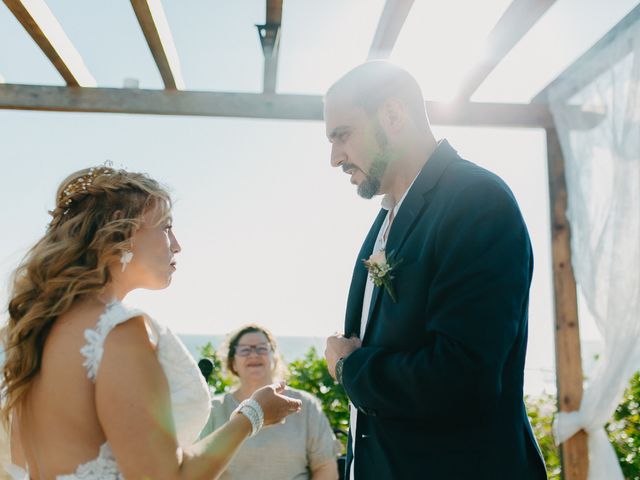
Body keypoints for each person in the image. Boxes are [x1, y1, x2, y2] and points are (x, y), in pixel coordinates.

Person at [322, 61, 548, 479]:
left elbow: (461, 376)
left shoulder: (477, 200)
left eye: (343, 136)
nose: (335, 158)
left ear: (393, 116)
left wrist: (348, 369)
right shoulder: (387, 218)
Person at [2, 166, 301, 479]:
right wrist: (253, 415)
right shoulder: (118, 332)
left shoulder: (34, 330)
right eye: (166, 227)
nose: (177, 244)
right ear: (121, 232)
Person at [200, 324, 339, 480]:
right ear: (233, 363)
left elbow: (325, 466)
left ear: (274, 358)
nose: (253, 354)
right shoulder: (214, 409)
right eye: (245, 350)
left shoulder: (305, 405)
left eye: (261, 348)